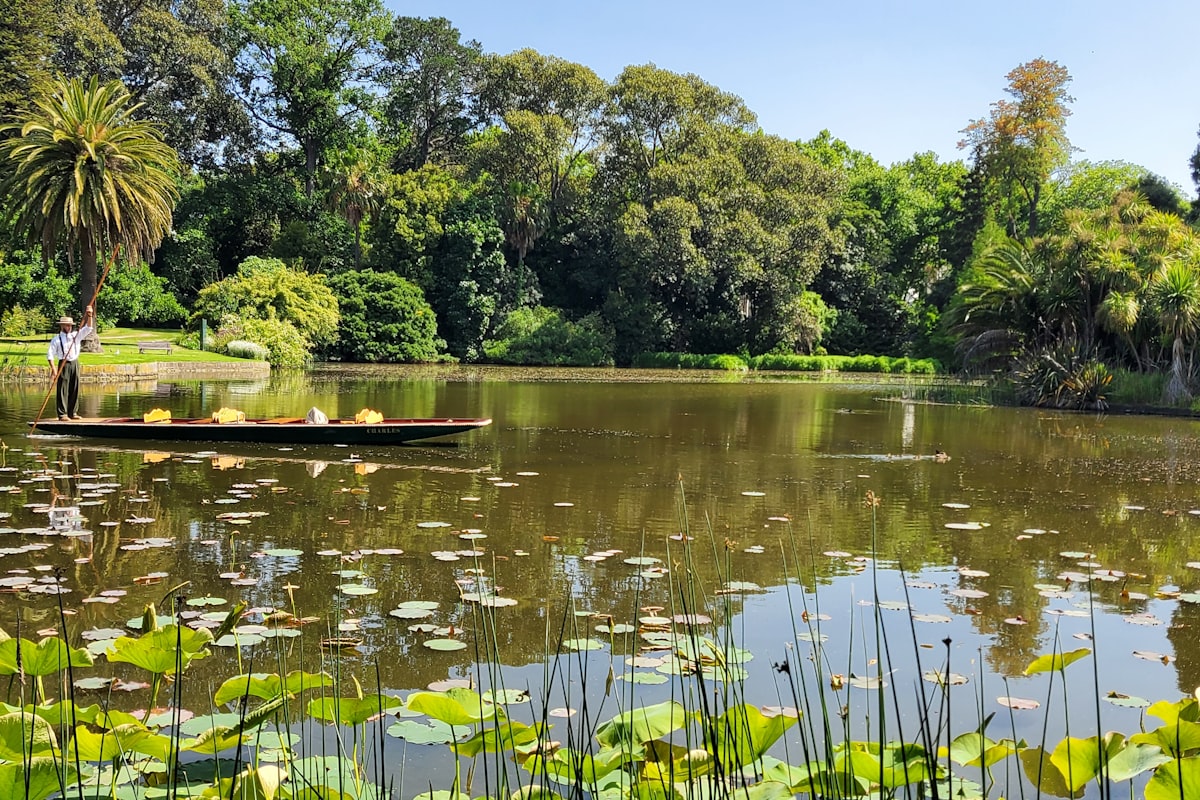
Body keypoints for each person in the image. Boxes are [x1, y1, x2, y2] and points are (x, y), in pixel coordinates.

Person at [47, 305, 94, 420]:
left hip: (74, 363)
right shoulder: (56, 339)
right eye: (66, 325)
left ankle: (72, 413)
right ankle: (62, 414)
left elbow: (88, 328)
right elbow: (50, 355)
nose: (68, 327)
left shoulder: (76, 336)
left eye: (70, 325)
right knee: (63, 389)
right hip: (63, 364)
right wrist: (54, 371)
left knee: (75, 387)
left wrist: (89, 315)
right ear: (62, 325)